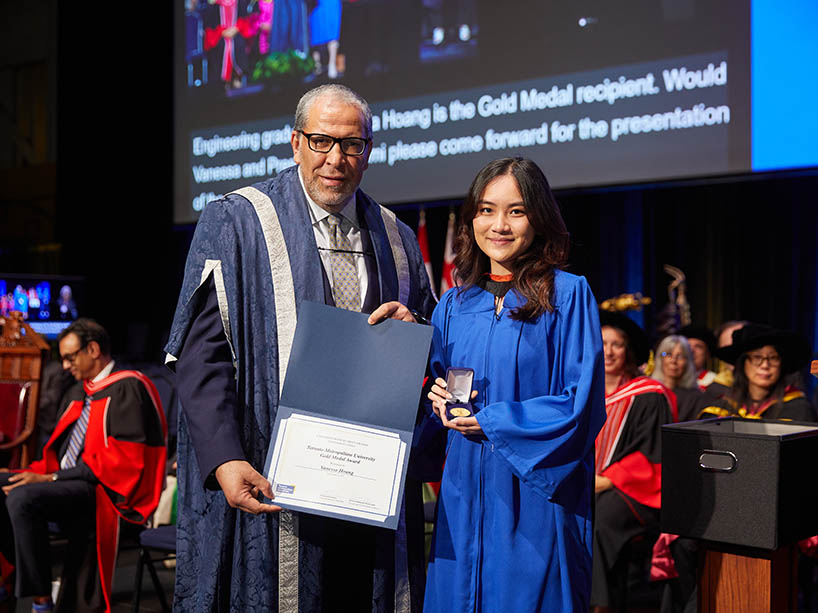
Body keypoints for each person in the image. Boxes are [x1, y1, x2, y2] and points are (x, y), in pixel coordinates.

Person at [165, 84, 435, 612]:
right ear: (295, 143)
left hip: (367, 481)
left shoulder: (397, 238)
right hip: (269, 473)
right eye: (321, 141)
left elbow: (424, 344)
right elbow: (202, 357)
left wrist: (414, 327)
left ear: (369, 152)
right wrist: (224, 458)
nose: (336, 159)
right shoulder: (238, 221)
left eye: (352, 145)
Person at [422, 157, 606, 611]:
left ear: (538, 218)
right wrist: (436, 400)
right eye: (486, 210)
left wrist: (493, 422)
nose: (498, 225)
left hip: (535, 497)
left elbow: (579, 404)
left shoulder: (567, 294)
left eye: (516, 211)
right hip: (462, 494)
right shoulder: (453, 304)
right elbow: (440, 389)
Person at [0, 318, 166, 612]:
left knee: (23, 497)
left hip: (106, 492)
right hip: (69, 482)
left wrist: (50, 479)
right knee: (5, 483)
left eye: (69, 357)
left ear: (93, 349)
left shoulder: (128, 387)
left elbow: (120, 464)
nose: (65, 366)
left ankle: (39, 600)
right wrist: (37, 473)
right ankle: (7, 580)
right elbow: (58, 454)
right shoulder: (80, 391)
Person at [592, 311, 675, 611]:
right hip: (589, 483)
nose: (610, 351)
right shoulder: (581, 394)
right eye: (603, 343)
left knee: (601, 519)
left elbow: (653, 454)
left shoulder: (648, 395)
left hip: (637, 491)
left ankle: (601, 605)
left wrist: (608, 479)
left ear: (628, 351)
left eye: (618, 344)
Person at [703, 323, 815, 421]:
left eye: (773, 358)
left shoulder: (799, 409)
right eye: (757, 357)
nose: (765, 365)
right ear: (743, 363)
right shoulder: (720, 409)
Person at [651, 334, 711, 422]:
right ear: (660, 359)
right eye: (668, 354)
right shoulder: (650, 394)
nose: (673, 361)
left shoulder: (697, 399)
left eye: (680, 356)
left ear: (688, 362)